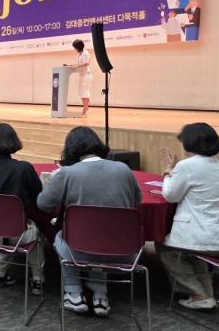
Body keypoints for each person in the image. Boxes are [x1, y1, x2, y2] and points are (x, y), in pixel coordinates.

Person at [37, 126, 141, 317]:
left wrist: (51, 184)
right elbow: (136, 202)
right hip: (124, 251)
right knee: (101, 233)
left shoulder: (67, 173)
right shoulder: (124, 169)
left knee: (64, 236)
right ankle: (100, 295)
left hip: (79, 249)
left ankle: (73, 292)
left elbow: (43, 204)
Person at [157, 123, 219, 310]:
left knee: (164, 246)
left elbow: (170, 195)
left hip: (203, 236)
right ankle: (206, 295)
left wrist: (168, 171)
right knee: (195, 252)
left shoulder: (186, 166)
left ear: (189, 143)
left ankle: (198, 293)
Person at [0, 123, 44, 293]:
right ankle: (38, 279)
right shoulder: (24, 168)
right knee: (36, 233)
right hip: (15, 234)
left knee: (1, 224)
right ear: (14, 141)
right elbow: (39, 198)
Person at [67, 39, 92, 116]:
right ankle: (86, 108)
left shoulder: (85, 53)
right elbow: (79, 64)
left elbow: (86, 63)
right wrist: (72, 65)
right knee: (81, 92)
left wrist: (76, 66)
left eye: (75, 47)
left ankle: (86, 108)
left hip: (86, 74)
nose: (74, 49)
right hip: (81, 74)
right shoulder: (79, 54)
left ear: (78, 47)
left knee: (85, 91)